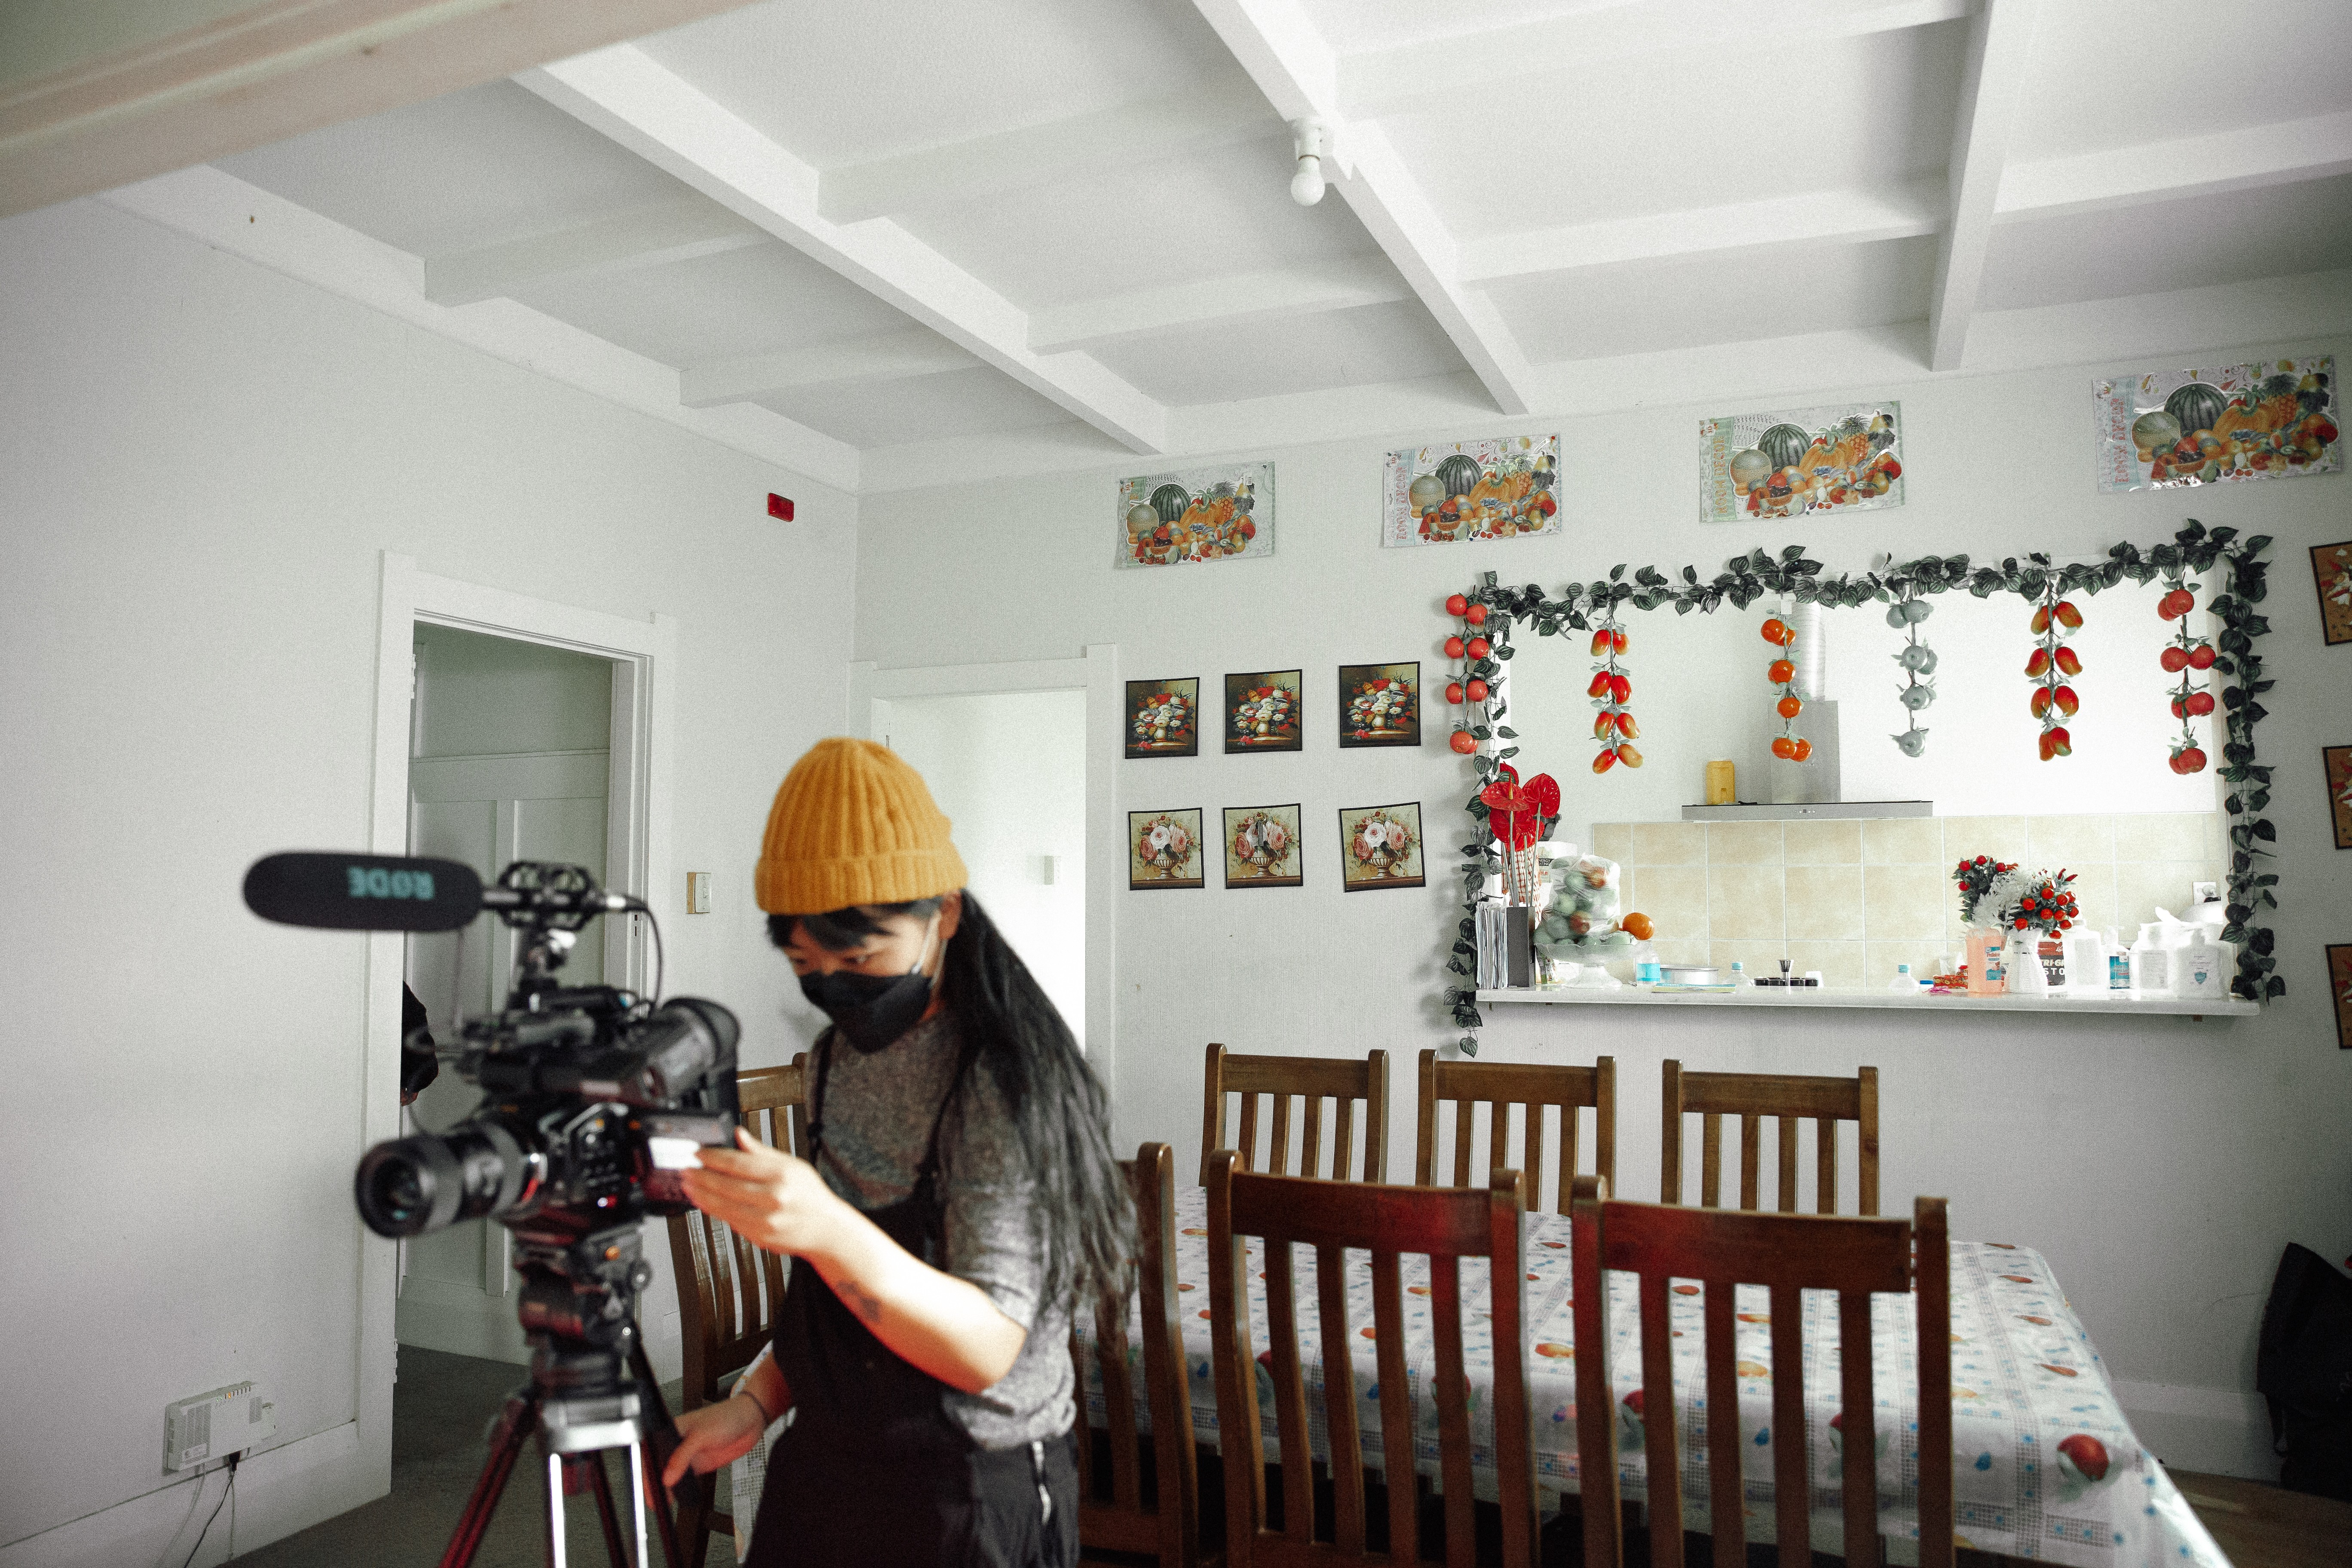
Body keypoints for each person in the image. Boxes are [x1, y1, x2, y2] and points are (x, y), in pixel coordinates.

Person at [660, 738, 1132, 1566]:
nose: (836, 987)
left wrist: (823, 1227)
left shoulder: (998, 1084)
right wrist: (759, 1404)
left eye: (860, 957)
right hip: (829, 1461)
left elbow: (989, 1348)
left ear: (943, 914)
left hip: (967, 1488)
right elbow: (841, 1296)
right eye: (806, 964)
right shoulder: (838, 1058)